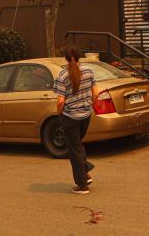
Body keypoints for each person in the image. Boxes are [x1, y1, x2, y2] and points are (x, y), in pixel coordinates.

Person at [54, 46, 98, 195]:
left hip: (70, 118)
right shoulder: (89, 71)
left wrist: (59, 114)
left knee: (74, 150)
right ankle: (85, 173)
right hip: (85, 116)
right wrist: (90, 106)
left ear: (65, 58)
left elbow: (60, 101)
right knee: (77, 146)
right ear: (79, 57)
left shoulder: (62, 76)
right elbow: (96, 94)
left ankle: (82, 185)